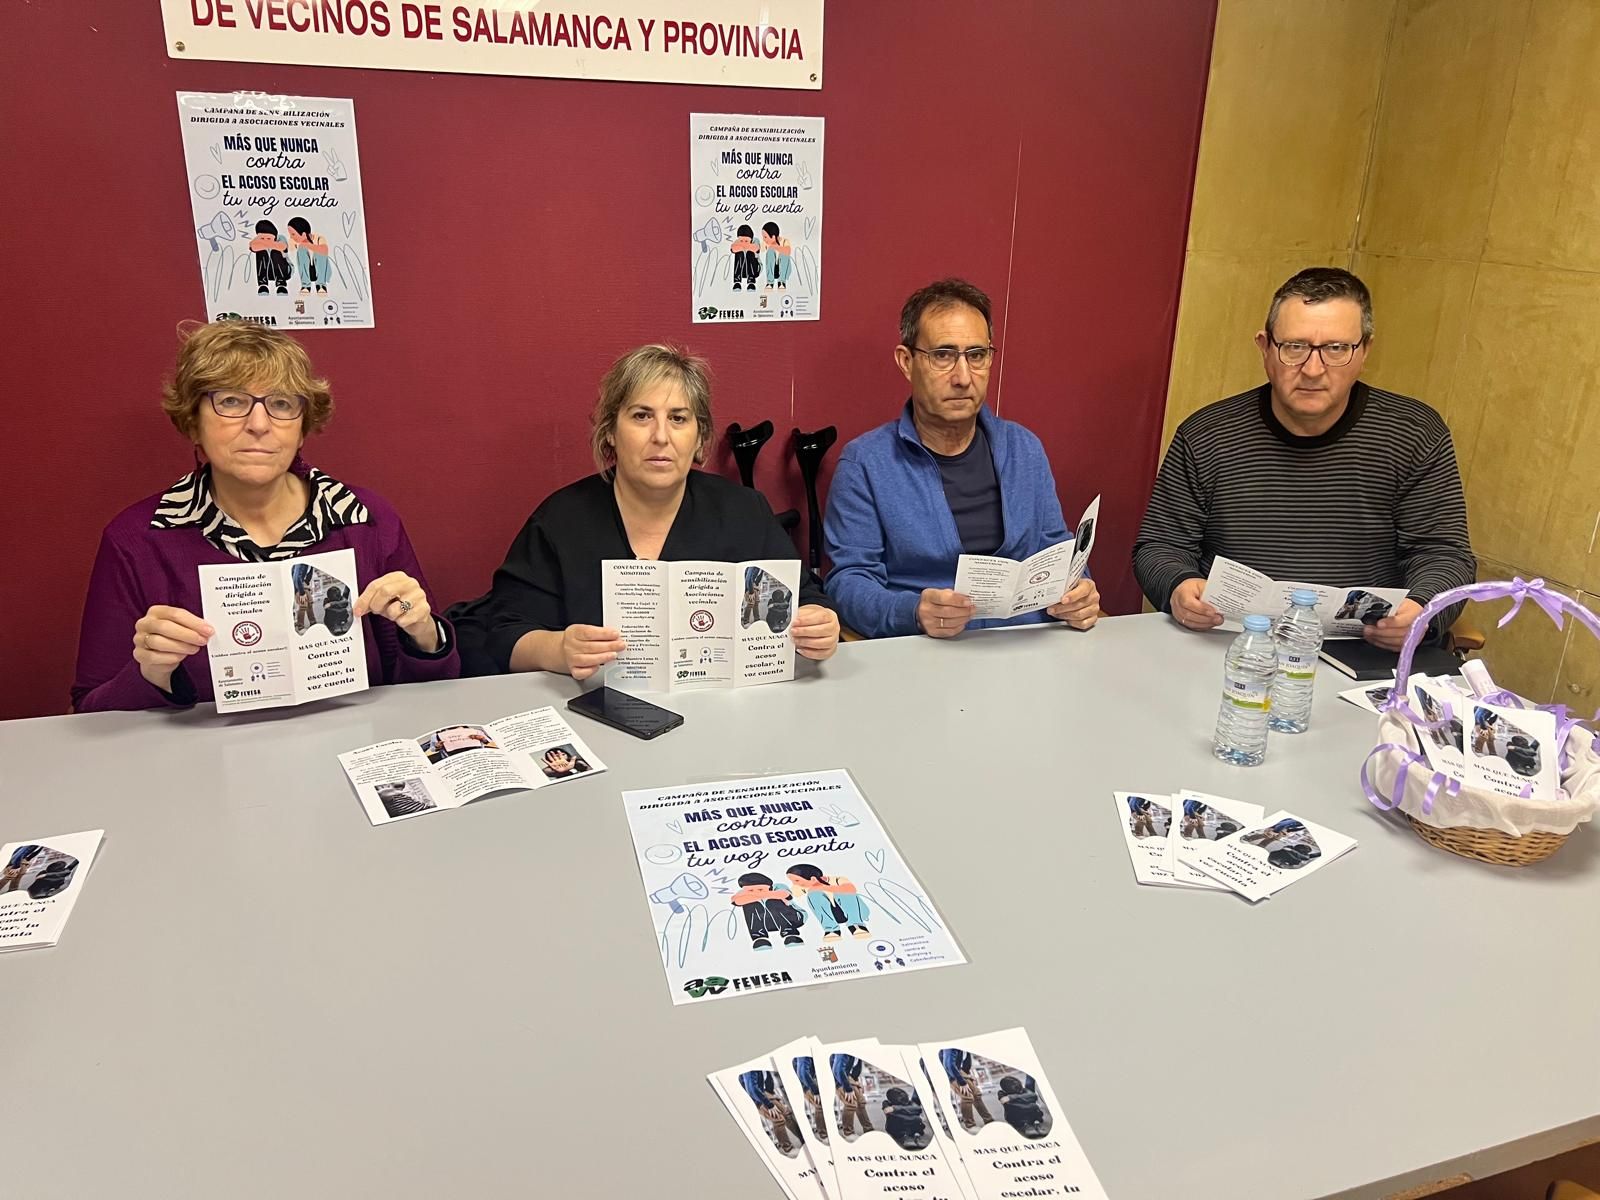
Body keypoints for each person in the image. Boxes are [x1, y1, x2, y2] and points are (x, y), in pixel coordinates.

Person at [71, 321, 458, 712]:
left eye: (282, 403)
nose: (259, 425)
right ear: (193, 421)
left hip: (348, 748)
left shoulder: (366, 521)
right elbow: (88, 711)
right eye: (232, 401)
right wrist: (151, 673)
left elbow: (428, 694)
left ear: (302, 428)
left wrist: (424, 634)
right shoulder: (136, 539)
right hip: (204, 761)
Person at [1134, 267, 1475, 650]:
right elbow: (1159, 546)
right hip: (1235, 645)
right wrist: (1178, 586)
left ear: (1364, 352)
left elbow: (1444, 554)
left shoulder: (1414, 433)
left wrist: (1422, 610)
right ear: (1264, 347)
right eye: (1294, 347)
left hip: (1365, 651)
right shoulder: (1207, 434)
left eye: (1336, 349)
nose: (1313, 370)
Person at [449, 344, 839, 677]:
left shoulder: (743, 512)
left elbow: (805, 599)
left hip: (724, 718)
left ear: (700, 438)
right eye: (641, 416)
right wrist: (558, 650)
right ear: (610, 434)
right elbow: (504, 634)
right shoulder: (561, 520)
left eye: (678, 418)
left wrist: (819, 626)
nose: (660, 436)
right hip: (592, 712)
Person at [823, 278, 1099, 639]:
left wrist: (1080, 591)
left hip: (1027, 645)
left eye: (977, 355)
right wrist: (913, 611)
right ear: (906, 362)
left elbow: (1056, 550)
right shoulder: (865, 464)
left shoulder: (1023, 448)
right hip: (925, 651)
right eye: (942, 356)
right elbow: (849, 580)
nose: (963, 377)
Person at [783, 863, 870, 941]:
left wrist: (823, 888)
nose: (794, 884)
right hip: (835, 916)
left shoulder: (837, 880)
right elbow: (788, 895)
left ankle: (857, 925)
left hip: (858, 912)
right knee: (813, 894)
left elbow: (851, 889)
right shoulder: (803, 887)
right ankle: (831, 930)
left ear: (813, 879)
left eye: (796, 880)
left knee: (843, 892)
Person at [729, 872, 807, 950]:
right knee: (750, 903)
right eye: (751, 890)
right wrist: (756, 896)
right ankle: (760, 938)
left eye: (760, 889)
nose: (756, 892)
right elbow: (736, 901)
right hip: (767, 923)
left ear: (769, 886)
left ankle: (790, 934)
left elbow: (784, 895)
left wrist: (754, 895)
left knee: (771, 900)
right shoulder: (744, 892)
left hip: (793, 919)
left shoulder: (778, 886)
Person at [739, 1069, 801, 1155]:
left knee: (787, 1113)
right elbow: (752, 1090)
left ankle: (802, 1140)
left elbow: (767, 1080)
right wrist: (769, 1105)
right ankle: (787, 1148)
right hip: (756, 1098)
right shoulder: (750, 1071)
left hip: (764, 1093)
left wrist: (771, 1094)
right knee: (778, 1119)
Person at [938, 1048, 995, 1132]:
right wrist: (962, 1082)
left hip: (957, 1069)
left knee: (976, 1094)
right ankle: (970, 1125)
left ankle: (988, 1120)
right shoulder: (950, 1047)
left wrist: (968, 1075)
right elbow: (948, 1065)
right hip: (947, 1072)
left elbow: (965, 1063)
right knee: (967, 1097)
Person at [286, 216, 331, 294]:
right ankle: (305, 285)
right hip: (306, 273)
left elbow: (325, 251)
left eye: (293, 234)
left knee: (319, 251)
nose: (291, 237)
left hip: (322, 273)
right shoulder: (294, 241)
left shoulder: (319, 238)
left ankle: (321, 285)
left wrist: (306, 244)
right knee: (301, 249)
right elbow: (286, 249)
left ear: (303, 234)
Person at [831, 1055, 874, 1137]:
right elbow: (837, 1070)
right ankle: (848, 1133)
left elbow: (854, 1071)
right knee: (850, 1103)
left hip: (847, 1076)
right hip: (836, 1077)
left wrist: (857, 1083)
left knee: (861, 1102)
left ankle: (868, 1129)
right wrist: (847, 1089)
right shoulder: (844, 1051)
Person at [794, 1055, 828, 1141]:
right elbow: (803, 1073)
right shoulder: (804, 1052)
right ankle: (823, 1135)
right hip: (805, 1084)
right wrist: (815, 1091)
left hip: (807, 1081)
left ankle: (821, 1131)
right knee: (819, 1106)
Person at [761, 221, 793, 290]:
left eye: (765, 237)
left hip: (784, 271)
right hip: (772, 271)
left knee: (784, 253)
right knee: (770, 251)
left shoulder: (784, 241)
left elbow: (788, 251)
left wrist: (774, 246)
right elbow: (758, 249)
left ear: (773, 237)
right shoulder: (766, 243)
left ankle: (781, 282)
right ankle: (770, 282)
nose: (764, 239)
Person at [729, 225, 761, 291]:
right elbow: (733, 248)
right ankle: (737, 282)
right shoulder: (738, 241)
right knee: (739, 252)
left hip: (754, 271)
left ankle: (751, 282)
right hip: (742, 271)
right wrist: (740, 246)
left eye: (746, 241)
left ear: (751, 239)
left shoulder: (755, 240)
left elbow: (756, 248)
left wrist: (743, 246)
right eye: (741, 240)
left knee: (750, 253)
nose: (743, 242)